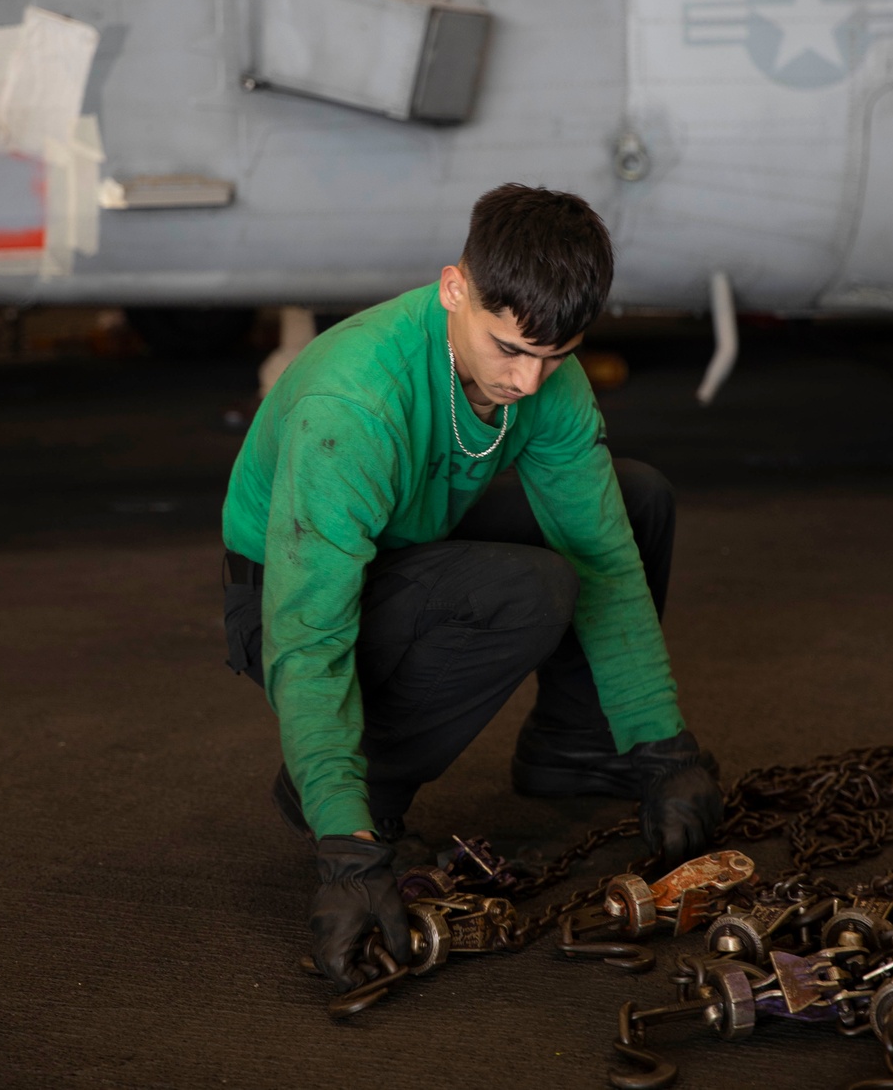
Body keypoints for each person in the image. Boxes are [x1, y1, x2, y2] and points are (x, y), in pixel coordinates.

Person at [221, 183, 723, 992]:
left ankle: (577, 745)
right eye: (509, 350)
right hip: (283, 599)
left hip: (413, 536)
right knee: (528, 589)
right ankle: (367, 790)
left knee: (635, 501)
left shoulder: (544, 370)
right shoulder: (353, 405)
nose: (528, 382)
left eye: (553, 356)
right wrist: (347, 850)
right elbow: (308, 634)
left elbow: (602, 550)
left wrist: (661, 745)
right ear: (455, 288)